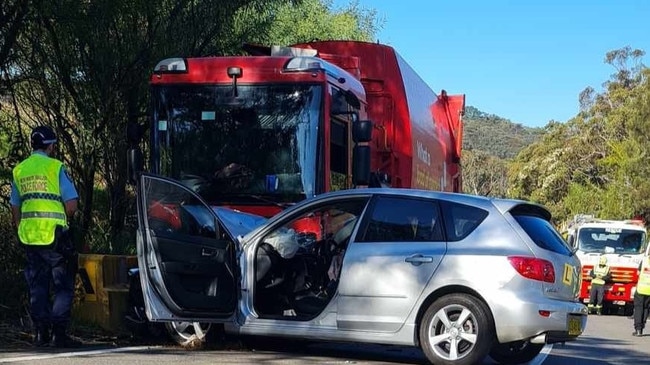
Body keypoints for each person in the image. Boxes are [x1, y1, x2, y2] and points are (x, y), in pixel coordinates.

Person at [10, 125, 81, 348]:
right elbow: (71, 206)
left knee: (37, 286)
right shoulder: (55, 167)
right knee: (63, 285)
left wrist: (21, 228)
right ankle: (58, 334)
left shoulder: (20, 170)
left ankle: (41, 334)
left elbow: (15, 207)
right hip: (55, 236)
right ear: (50, 146)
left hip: (30, 237)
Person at [633, 254, 650, 336]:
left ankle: (638, 329)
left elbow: (638, 272)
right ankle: (642, 327)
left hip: (641, 288)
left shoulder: (645, 261)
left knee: (639, 308)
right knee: (646, 308)